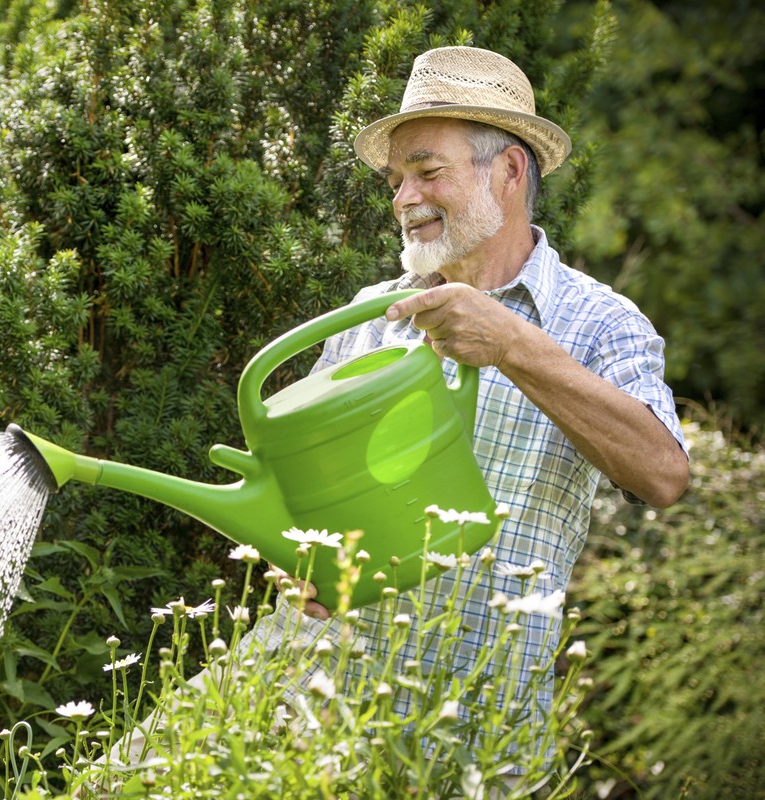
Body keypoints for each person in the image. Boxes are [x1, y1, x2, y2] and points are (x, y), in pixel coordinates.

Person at [93, 45, 689, 793]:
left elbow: (664, 474)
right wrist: (295, 559)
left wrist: (514, 346)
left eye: (428, 170)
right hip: (312, 700)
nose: (405, 196)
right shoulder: (368, 319)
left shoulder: (600, 323)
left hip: (478, 727)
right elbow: (305, 511)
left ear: (508, 172)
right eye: (396, 177)